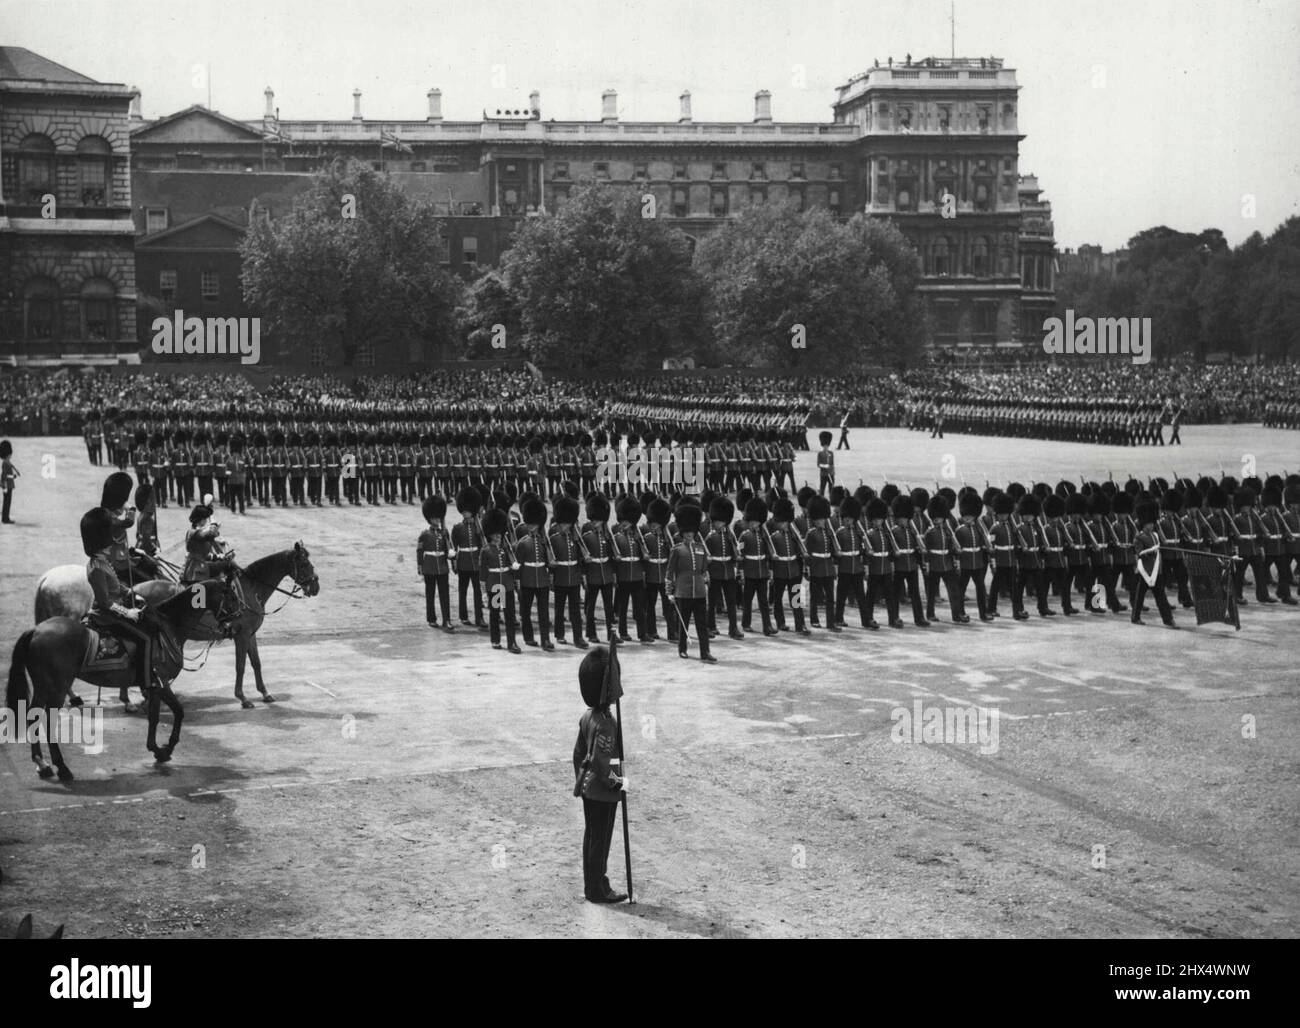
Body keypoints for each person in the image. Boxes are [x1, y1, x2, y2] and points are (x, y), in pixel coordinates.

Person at [572, 645, 628, 904]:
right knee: (600, 840)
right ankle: (597, 887)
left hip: (588, 789)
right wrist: (619, 782)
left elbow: (578, 753)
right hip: (602, 792)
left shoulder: (589, 716)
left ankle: (592, 883)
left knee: (591, 836)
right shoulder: (606, 724)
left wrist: (580, 781)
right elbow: (600, 763)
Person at [82, 506, 157, 697]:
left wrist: (131, 592)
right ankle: (147, 683)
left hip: (116, 609)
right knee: (146, 638)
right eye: (107, 539)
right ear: (99, 541)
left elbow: (116, 584)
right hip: (107, 617)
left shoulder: (103, 560)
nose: (111, 542)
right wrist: (128, 613)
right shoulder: (95, 567)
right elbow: (105, 602)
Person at [665, 502, 715, 663]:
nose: (689, 534)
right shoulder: (677, 550)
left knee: (702, 625)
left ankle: (705, 651)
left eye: (691, 532)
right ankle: (682, 649)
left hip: (699, 591)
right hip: (683, 591)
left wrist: (705, 583)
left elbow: (703, 570)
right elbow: (670, 572)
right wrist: (669, 592)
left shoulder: (701, 548)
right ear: (682, 532)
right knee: (683, 623)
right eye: (686, 532)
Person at [479, 507, 521, 653]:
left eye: (499, 534)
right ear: (490, 535)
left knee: (510, 615)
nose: (498, 537)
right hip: (495, 586)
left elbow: (511, 567)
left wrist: (513, 568)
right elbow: (483, 574)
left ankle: (512, 642)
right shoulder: (486, 550)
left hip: (507, 585)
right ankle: (495, 640)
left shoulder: (506, 549)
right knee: (495, 614)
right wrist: (484, 592)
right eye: (495, 535)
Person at [1132, 500, 1176, 628]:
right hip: (1145, 571)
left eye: (1152, 523)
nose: (1151, 525)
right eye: (1148, 524)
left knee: (1161, 596)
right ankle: (1135, 617)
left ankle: (1168, 619)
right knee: (1139, 597)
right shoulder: (1139, 537)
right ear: (1143, 524)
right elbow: (1139, 553)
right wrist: (1151, 550)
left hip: (1155, 570)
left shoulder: (1156, 535)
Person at [417, 494, 454, 630]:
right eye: (434, 518)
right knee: (430, 594)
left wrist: (452, 556)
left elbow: (449, 548)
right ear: (429, 519)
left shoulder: (445, 533)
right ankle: (431, 618)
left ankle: (447, 619)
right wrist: (420, 567)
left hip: (443, 567)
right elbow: (420, 552)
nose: (437, 520)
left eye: (438, 518)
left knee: (445, 595)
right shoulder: (424, 534)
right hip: (429, 567)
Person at [1, 439, 18, 524]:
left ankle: (5, 517)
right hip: (6, 484)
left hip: (8, 484)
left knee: (7, 501)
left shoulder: (7, 462)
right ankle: (5, 518)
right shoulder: (5, 463)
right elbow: (5, 475)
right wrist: (13, 476)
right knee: (7, 502)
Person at [816, 430, 835, 496]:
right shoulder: (820, 453)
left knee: (831, 489)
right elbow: (818, 464)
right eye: (825, 446)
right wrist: (825, 466)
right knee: (822, 489)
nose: (826, 447)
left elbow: (832, 463)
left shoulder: (831, 453)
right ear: (822, 446)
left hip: (830, 474)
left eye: (827, 446)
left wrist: (832, 471)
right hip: (823, 474)